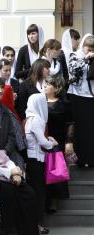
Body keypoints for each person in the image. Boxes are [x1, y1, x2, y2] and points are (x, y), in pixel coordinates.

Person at [25, 92, 59, 235]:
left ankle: (33, 223)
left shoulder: (28, 119)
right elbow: (43, 141)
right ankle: (38, 224)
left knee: (35, 192)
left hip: (30, 159)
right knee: (40, 194)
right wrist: (52, 142)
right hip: (37, 160)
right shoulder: (37, 120)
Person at [43, 76, 72, 213]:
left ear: (56, 88)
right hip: (41, 141)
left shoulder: (64, 104)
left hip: (58, 141)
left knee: (55, 171)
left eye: (49, 84)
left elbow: (70, 123)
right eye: (45, 83)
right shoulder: (39, 101)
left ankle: (54, 202)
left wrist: (69, 141)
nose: (45, 85)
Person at [68, 34, 94, 167]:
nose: (89, 51)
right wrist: (85, 58)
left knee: (91, 129)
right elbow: (72, 69)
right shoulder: (75, 55)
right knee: (81, 128)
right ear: (83, 46)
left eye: (91, 49)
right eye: (87, 48)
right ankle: (81, 159)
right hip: (78, 96)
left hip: (91, 96)